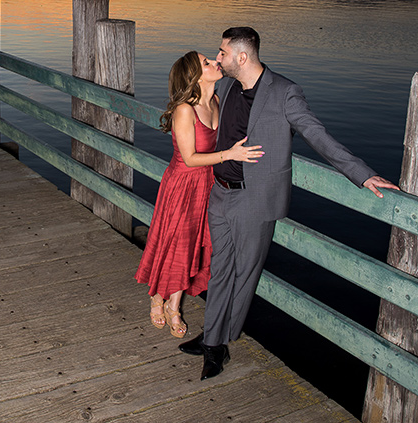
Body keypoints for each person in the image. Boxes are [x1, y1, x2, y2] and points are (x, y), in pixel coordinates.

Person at [178, 27, 399, 380]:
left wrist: (362, 173)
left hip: (255, 198)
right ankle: (211, 334)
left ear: (242, 57)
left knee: (243, 274)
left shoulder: (285, 93)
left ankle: (220, 344)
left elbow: (317, 135)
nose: (218, 57)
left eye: (222, 52)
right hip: (219, 193)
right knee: (220, 271)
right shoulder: (230, 87)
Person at [135, 51, 263, 338]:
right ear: (194, 76)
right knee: (177, 243)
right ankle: (163, 300)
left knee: (196, 245)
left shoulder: (217, 101)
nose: (215, 63)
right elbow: (190, 158)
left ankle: (172, 301)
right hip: (183, 185)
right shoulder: (184, 110)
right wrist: (229, 154)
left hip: (209, 184)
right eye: (207, 63)